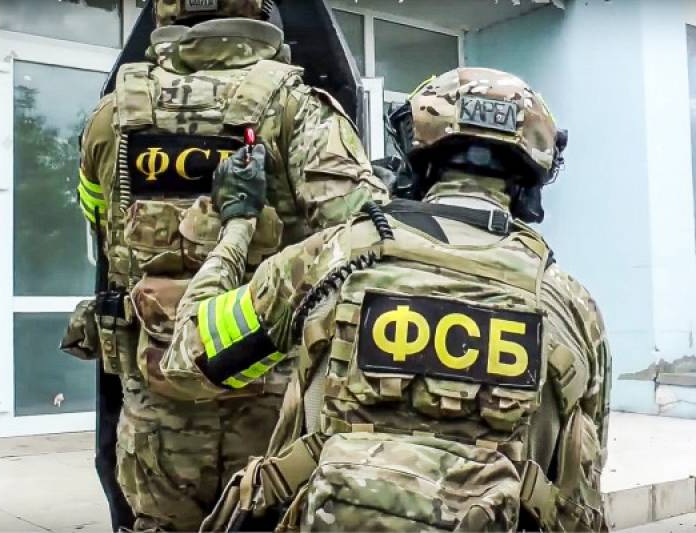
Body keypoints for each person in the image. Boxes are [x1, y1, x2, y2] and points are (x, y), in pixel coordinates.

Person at [155, 67, 611, 532]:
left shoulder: (334, 256)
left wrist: (237, 224)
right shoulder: (572, 307)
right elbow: (582, 491)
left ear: (417, 158)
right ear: (530, 182)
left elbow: (188, 361)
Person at [70, 0, 387, 530]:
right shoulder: (298, 107)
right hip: (268, 411)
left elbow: (99, 225)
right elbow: (366, 240)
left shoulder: (112, 116)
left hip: (152, 412)